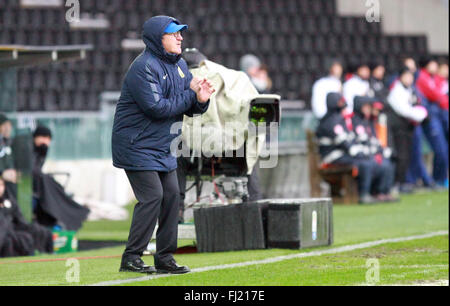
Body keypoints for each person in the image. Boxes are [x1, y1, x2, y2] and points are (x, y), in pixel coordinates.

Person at [112, 16, 214, 274]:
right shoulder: (143, 67)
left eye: (181, 33)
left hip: (163, 147)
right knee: (153, 197)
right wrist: (191, 93)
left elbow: (190, 107)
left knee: (171, 197)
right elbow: (158, 108)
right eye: (174, 34)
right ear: (159, 38)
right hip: (137, 146)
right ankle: (131, 257)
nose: (180, 38)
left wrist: (201, 99)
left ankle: (165, 258)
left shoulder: (179, 65)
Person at [315, 93, 377, 204]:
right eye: (340, 102)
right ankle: (363, 194)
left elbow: (349, 140)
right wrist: (359, 152)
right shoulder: (330, 121)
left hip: (341, 154)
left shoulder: (338, 119)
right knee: (365, 163)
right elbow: (344, 143)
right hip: (331, 157)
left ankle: (369, 192)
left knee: (368, 161)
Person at [32, 125, 90, 231]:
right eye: (42, 137)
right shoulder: (28, 151)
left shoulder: (42, 152)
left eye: (48, 138)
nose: (45, 141)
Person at [386, 67, 428, 191]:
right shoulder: (397, 91)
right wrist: (422, 114)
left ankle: (403, 182)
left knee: (408, 155)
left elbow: (418, 104)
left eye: (411, 76)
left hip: (409, 127)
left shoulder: (411, 90)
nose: (409, 79)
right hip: (399, 128)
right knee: (401, 155)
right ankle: (396, 183)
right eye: (407, 76)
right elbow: (404, 110)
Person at [415, 56, 449, 188]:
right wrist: (443, 101)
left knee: (442, 150)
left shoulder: (432, 78)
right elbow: (436, 95)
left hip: (438, 117)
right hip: (431, 118)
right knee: (440, 150)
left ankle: (439, 179)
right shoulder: (422, 78)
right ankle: (437, 180)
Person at [0, 177, 53, 257]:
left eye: (1, 185)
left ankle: (46, 253)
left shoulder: (9, 200)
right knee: (12, 239)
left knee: (41, 231)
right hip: (4, 231)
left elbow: (20, 219)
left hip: (14, 228)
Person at [0, 114, 17, 187]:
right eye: (4, 125)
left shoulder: (9, 143)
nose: (8, 128)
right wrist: (1, 173)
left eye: (9, 125)